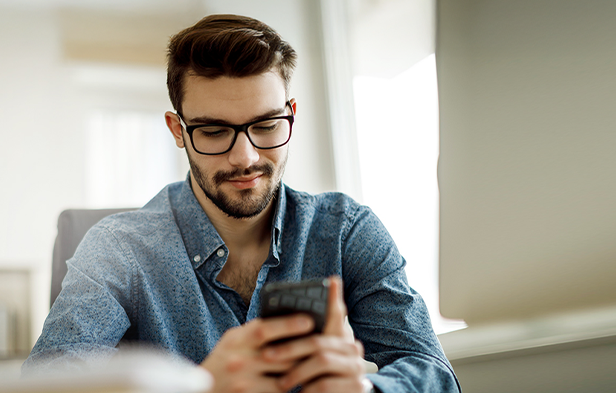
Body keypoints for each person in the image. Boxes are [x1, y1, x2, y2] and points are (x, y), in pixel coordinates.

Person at [23, 14, 459, 393]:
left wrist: (362, 389)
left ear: (290, 114)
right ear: (177, 131)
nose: (245, 158)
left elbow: (434, 374)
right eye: (214, 132)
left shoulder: (346, 230)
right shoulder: (116, 249)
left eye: (266, 125)